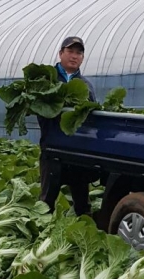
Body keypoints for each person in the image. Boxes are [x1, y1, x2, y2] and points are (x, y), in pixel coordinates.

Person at [38, 36, 98, 216]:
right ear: (60, 53)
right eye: (70, 51)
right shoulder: (46, 80)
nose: (74, 56)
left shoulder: (86, 86)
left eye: (79, 53)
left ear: (82, 58)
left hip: (78, 152)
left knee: (82, 203)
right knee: (47, 201)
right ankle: (42, 237)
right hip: (53, 149)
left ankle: (84, 236)